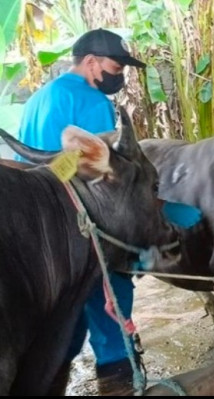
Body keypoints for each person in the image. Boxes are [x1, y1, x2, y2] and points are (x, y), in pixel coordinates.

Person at [16, 28, 148, 395]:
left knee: (62, 314)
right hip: (80, 219)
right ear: (90, 62)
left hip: (38, 232)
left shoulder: (40, 97)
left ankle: (53, 376)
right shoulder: (92, 100)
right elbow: (106, 174)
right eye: (115, 65)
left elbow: (23, 166)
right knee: (112, 293)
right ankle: (119, 376)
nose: (119, 73)